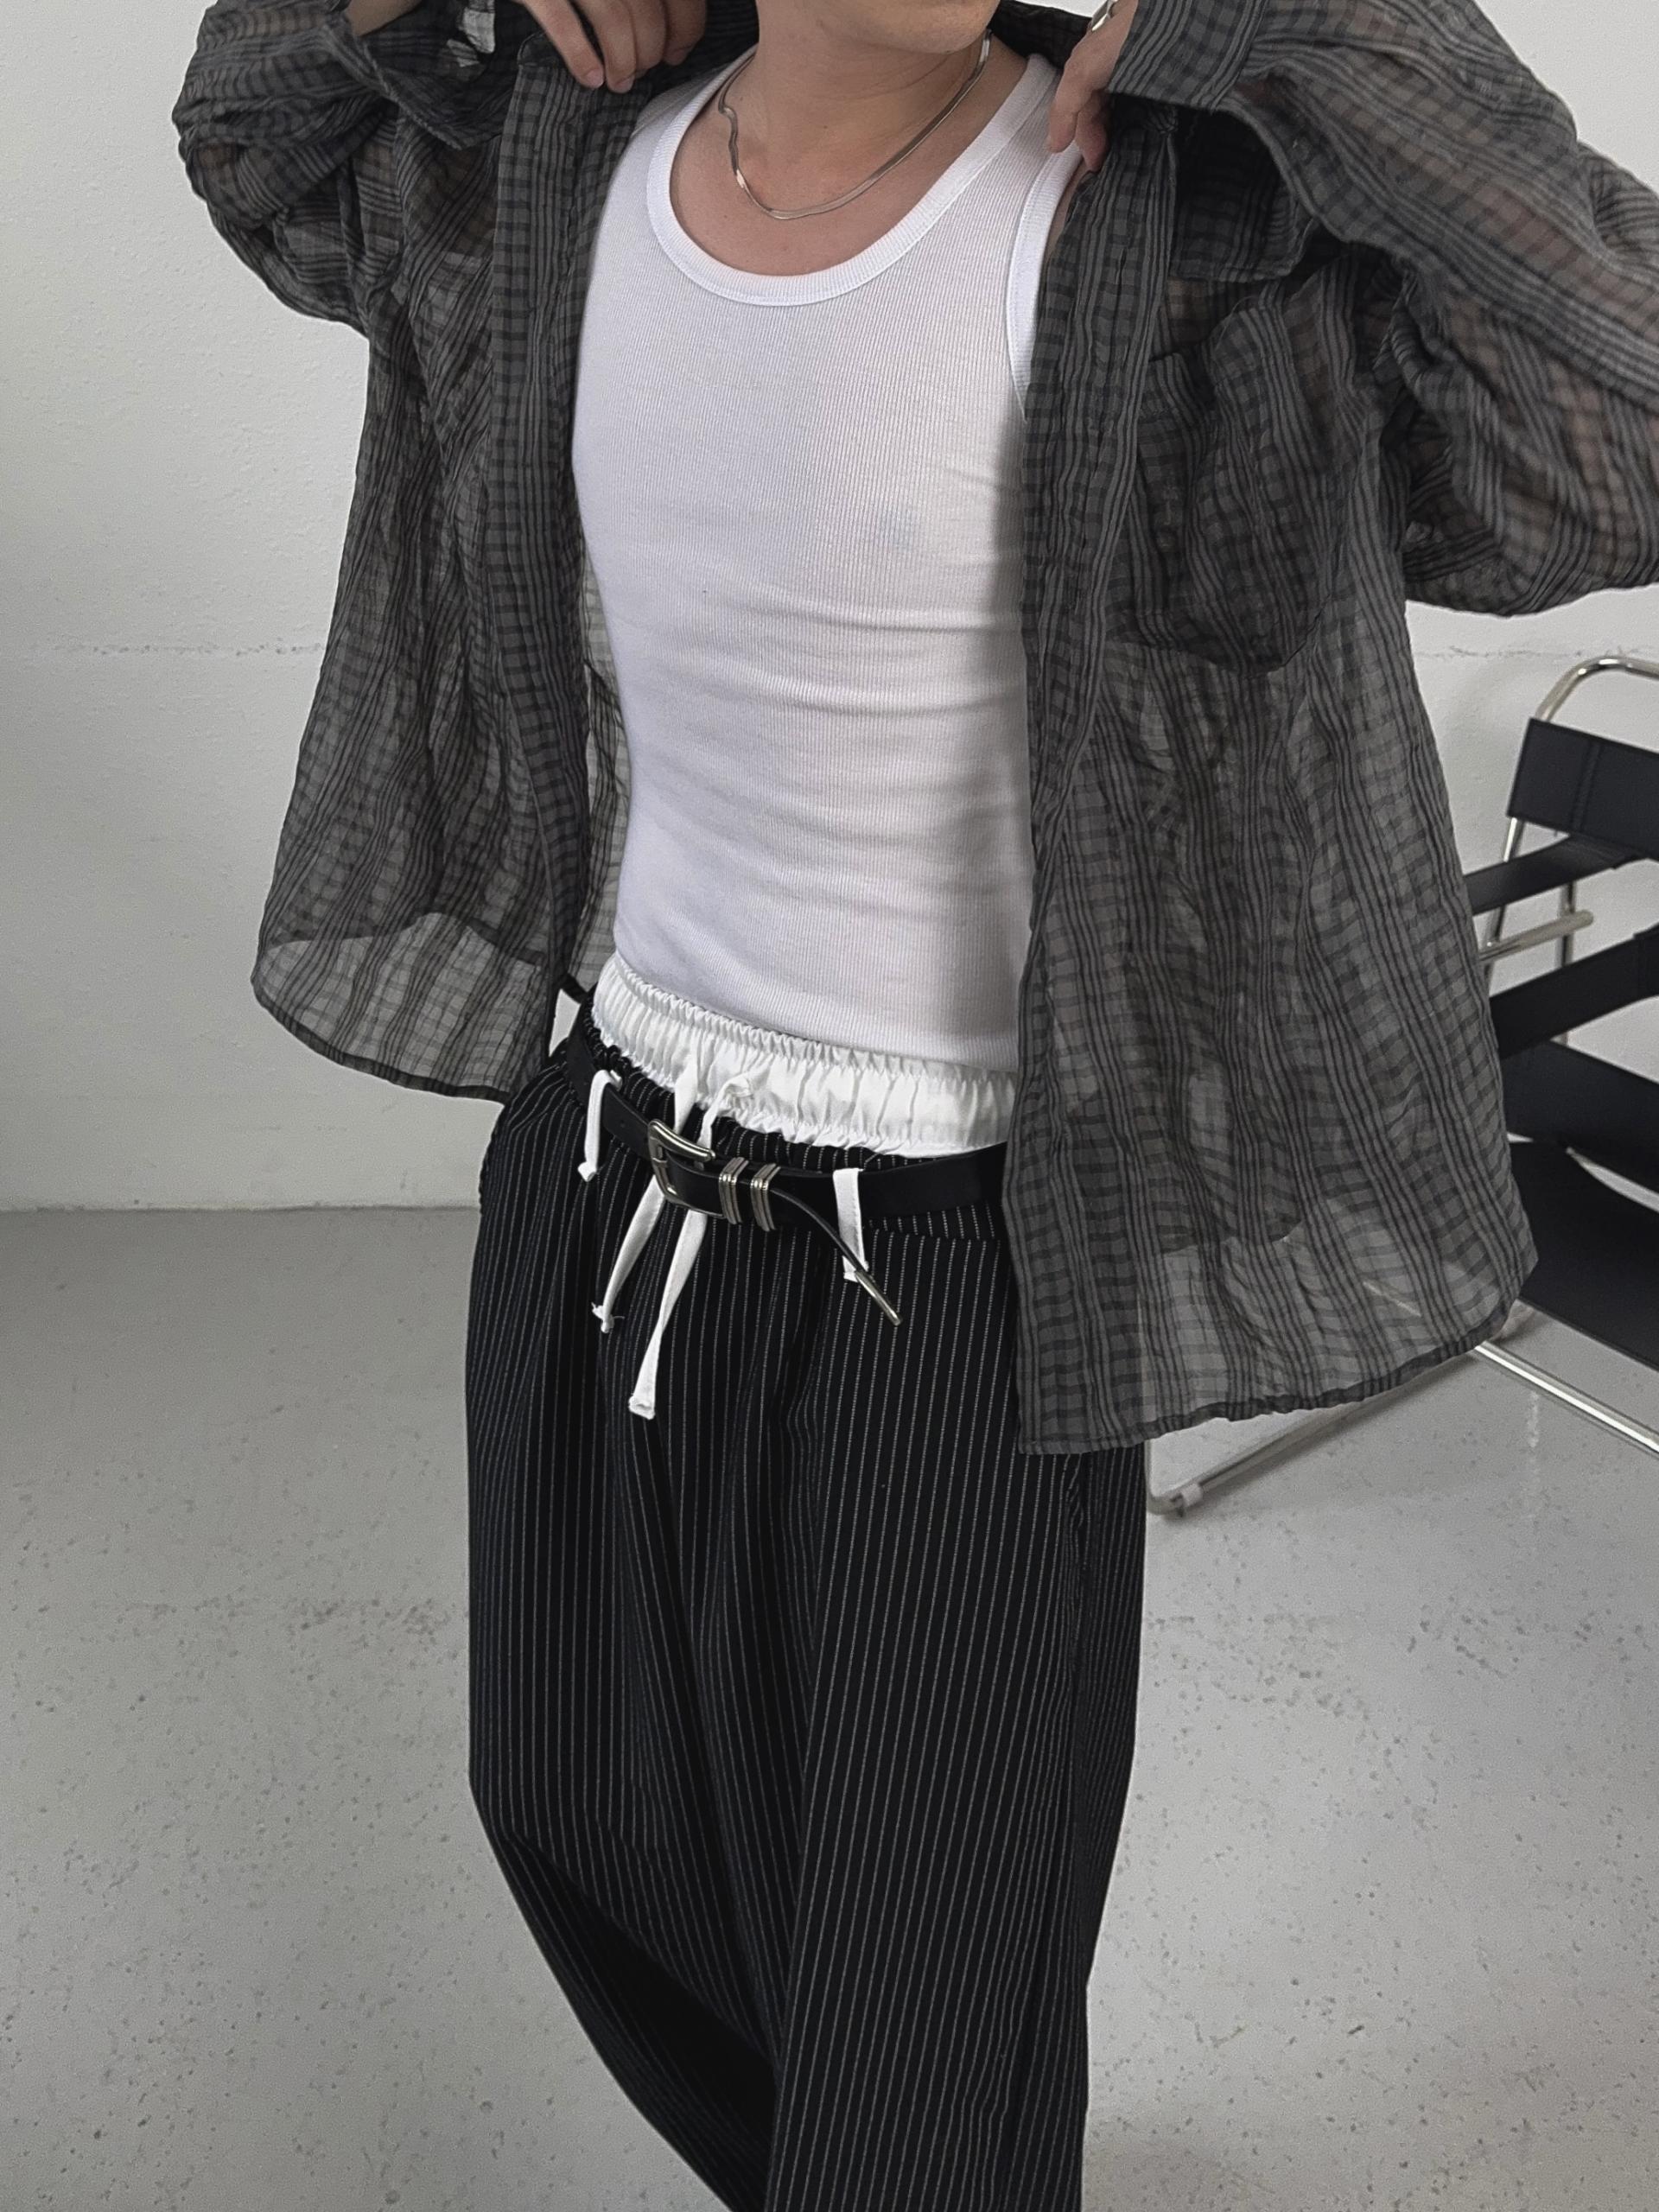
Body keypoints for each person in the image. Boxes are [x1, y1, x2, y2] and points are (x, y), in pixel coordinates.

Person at [171, 1, 1659, 2205]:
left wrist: (1305, 28)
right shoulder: (555, 168)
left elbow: (1624, 426)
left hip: (959, 1281)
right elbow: (251, 132)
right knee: (575, 1820)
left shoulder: (1179, 229)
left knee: (924, 2043)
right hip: (605, 1178)